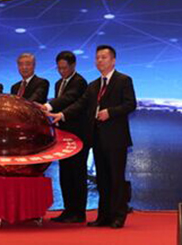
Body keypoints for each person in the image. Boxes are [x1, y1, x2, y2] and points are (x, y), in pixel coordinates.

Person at [47, 45, 137, 229]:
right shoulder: (94, 85)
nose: (99, 61)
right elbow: (80, 104)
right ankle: (104, 216)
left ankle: (118, 216)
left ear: (113, 60)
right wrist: (62, 115)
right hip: (97, 138)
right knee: (102, 180)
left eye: (104, 57)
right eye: (97, 58)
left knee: (116, 178)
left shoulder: (123, 80)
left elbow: (130, 104)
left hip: (116, 139)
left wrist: (110, 112)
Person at [40, 51, 88, 223]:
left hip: (78, 136)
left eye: (65, 68)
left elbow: (69, 98)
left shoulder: (79, 82)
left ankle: (79, 212)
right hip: (64, 138)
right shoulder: (59, 83)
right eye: (59, 68)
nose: (61, 71)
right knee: (65, 174)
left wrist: (47, 106)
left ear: (73, 65)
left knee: (77, 174)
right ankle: (68, 210)